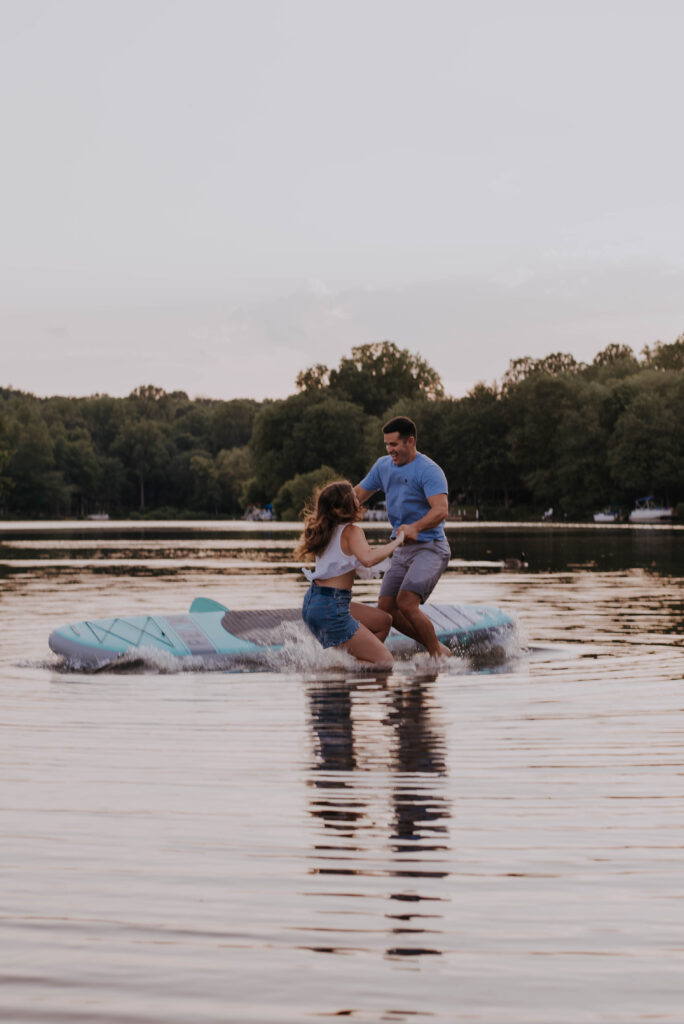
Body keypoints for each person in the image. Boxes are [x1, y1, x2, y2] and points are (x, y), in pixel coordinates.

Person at [354, 415, 451, 660]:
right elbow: (357, 495)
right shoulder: (383, 466)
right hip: (402, 550)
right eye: (386, 445)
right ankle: (438, 648)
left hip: (431, 548)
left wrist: (416, 526)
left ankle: (436, 657)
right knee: (386, 612)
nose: (390, 450)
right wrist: (328, 511)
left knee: (406, 603)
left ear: (410, 441)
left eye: (394, 445)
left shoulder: (429, 470)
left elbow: (441, 510)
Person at [296, 480, 406, 668]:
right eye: (355, 497)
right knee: (385, 662)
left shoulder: (325, 530)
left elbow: (358, 564)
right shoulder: (351, 532)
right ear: (348, 504)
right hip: (332, 606)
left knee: (383, 621)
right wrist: (398, 541)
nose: (359, 499)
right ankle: (336, 669)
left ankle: (351, 663)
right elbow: (368, 559)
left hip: (314, 602)